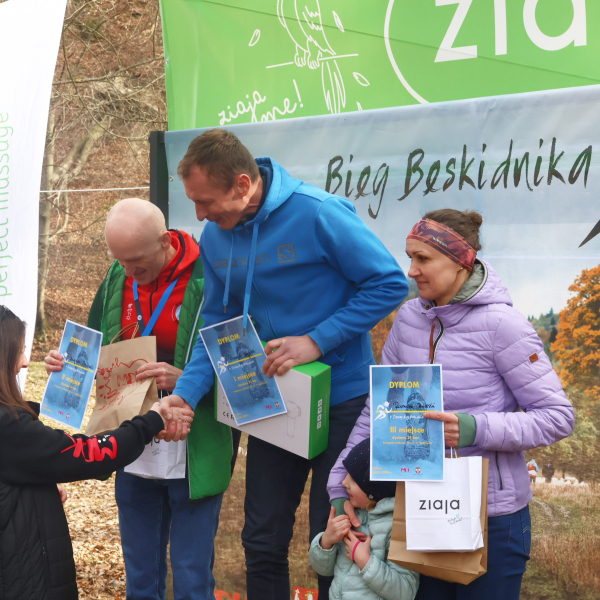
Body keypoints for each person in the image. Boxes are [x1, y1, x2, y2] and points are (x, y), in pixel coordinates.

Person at [161, 128, 408, 599]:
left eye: (206, 201)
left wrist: (316, 341)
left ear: (242, 184)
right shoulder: (215, 236)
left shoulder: (318, 213)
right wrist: (185, 395)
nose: (200, 215)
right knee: (261, 538)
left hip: (342, 401)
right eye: (193, 202)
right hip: (272, 400)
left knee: (335, 535)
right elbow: (217, 323)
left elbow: (388, 283)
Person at [328, 209, 575, 600]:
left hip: (493, 519)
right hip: (419, 510)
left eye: (423, 258)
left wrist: (475, 428)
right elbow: (377, 413)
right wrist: (338, 484)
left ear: (461, 261)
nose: (411, 270)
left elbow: (557, 417)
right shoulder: (408, 319)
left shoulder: (504, 326)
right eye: (410, 257)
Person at [44, 198, 233, 600]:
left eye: (137, 263)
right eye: (120, 261)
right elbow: (93, 344)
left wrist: (187, 380)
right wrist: (66, 363)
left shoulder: (210, 274)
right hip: (133, 439)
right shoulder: (119, 275)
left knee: (191, 575)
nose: (128, 271)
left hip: (194, 441)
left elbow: (241, 362)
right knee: (141, 575)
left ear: (165, 242)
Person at [0, 305, 193, 600]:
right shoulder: (10, 427)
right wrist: (151, 421)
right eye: (20, 351)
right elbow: (86, 453)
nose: (26, 362)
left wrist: (35, 492)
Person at [309, 438, 419, 600]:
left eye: (353, 479)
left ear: (374, 488)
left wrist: (366, 562)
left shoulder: (399, 528)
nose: (344, 482)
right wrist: (326, 542)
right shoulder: (349, 515)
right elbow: (323, 570)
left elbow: (405, 592)